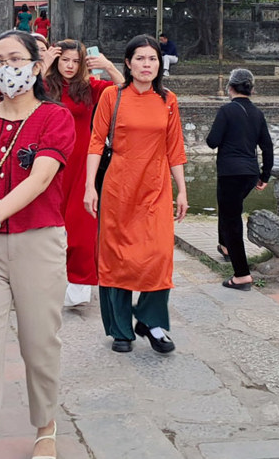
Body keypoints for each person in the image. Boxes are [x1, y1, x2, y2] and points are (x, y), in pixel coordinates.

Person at [0, 30, 75, 459]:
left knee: (39, 345)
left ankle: (46, 425)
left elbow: (42, 178)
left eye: (16, 59)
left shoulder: (54, 118)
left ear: (37, 66)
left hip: (38, 242)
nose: (7, 68)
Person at [85, 35, 188, 354]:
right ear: (127, 64)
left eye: (153, 59)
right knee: (116, 257)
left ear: (160, 63)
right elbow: (96, 142)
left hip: (156, 187)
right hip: (118, 185)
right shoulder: (113, 98)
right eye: (140, 59)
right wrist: (90, 186)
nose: (147, 65)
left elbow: (175, 147)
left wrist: (182, 189)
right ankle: (120, 329)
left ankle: (151, 321)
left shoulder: (168, 100)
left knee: (159, 256)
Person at [44, 39, 122, 306]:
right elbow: (18, 95)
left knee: (82, 222)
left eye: (75, 61)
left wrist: (109, 66)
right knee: (45, 223)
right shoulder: (44, 85)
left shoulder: (88, 88)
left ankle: (79, 285)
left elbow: (125, 90)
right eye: (64, 59)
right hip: (47, 161)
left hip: (80, 162)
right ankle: (45, 280)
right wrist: (43, 67)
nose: (69, 65)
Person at [206, 69, 274, 290]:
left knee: (231, 219)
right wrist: (264, 175)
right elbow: (267, 147)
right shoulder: (257, 113)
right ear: (251, 89)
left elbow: (212, 141)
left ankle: (242, 275)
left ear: (230, 88)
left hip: (231, 172)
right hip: (250, 172)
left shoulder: (226, 111)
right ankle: (225, 247)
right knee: (228, 209)